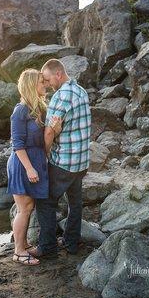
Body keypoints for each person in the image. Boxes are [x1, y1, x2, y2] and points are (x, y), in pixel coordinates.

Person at [29, 59, 91, 258]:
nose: (47, 84)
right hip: (81, 162)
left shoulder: (61, 96)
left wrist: (44, 155)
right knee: (75, 202)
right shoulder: (81, 91)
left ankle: (47, 248)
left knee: (45, 202)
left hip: (64, 162)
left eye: (47, 79)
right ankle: (71, 243)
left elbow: (49, 133)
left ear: (58, 74)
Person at [7, 68, 61, 266]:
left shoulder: (38, 108)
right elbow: (17, 145)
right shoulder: (20, 111)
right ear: (31, 85)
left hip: (37, 161)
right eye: (41, 82)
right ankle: (18, 251)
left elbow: (44, 143)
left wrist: (55, 130)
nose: (44, 85)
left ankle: (24, 243)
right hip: (22, 164)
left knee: (29, 207)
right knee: (24, 208)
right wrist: (30, 168)